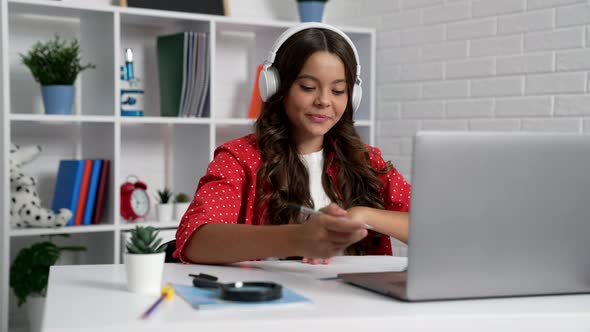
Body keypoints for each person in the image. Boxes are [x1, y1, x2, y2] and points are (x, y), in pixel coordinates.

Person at [174, 23, 411, 265]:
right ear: (277, 86)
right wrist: (299, 238)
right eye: (308, 87)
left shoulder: (367, 161)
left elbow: (434, 224)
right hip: (275, 299)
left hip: (358, 300)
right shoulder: (239, 158)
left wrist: (363, 215)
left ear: (352, 96)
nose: (324, 101)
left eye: (338, 91)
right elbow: (195, 241)